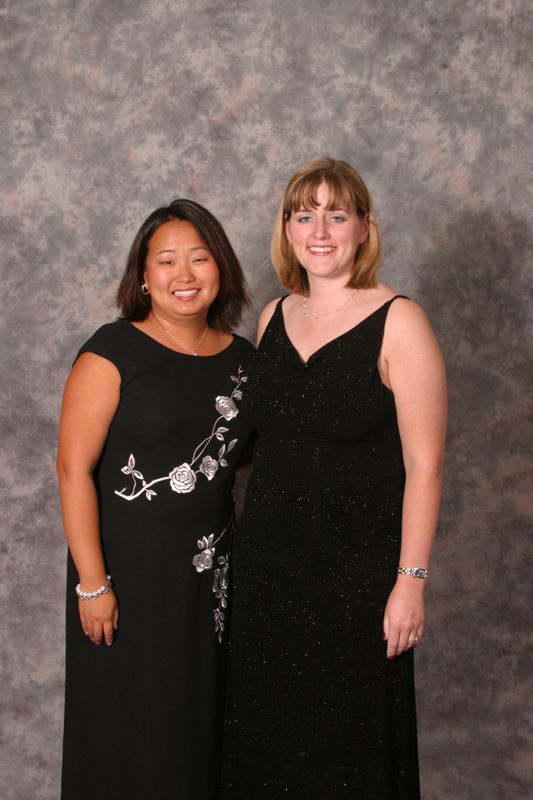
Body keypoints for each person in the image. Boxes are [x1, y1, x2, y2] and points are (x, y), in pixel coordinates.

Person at [222, 157, 447, 798]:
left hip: (356, 579)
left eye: (337, 215)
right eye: (304, 214)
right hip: (267, 570)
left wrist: (411, 581)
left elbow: (425, 466)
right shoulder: (272, 318)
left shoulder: (400, 321)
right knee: (266, 740)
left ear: (364, 228)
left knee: (347, 748)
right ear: (287, 229)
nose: (320, 230)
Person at [57, 199, 254, 800]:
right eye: (167, 260)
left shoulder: (246, 363)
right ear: (143, 275)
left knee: (196, 734)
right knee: (127, 734)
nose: (185, 274)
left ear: (220, 267)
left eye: (199, 258)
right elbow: (72, 469)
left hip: (207, 583)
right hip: (123, 581)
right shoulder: (113, 351)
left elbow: (249, 464)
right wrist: (93, 583)